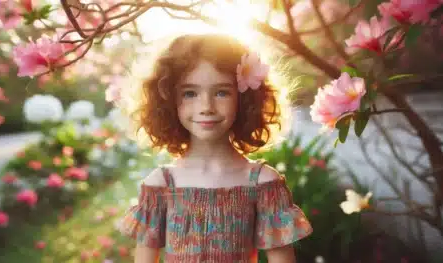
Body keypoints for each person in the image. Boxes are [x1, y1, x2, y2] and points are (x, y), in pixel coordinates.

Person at [119, 33, 312, 263]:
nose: (206, 107)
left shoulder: (263, 184)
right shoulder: (160, 185)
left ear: (244, 98)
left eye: (221, 92)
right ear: (168, 100)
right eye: (190, 93)